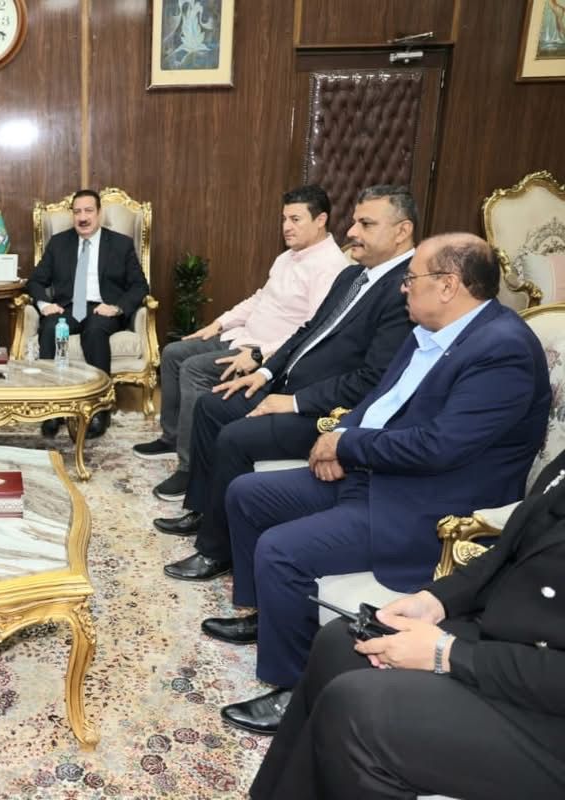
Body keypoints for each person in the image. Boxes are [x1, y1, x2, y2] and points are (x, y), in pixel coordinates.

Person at [208, 233, 550, 735]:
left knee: (282, 550)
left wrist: (347, 447)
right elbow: (380, 402)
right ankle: (270, 615)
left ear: (448, 285)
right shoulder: (430, 329)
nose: (403, 288)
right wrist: (340, 436)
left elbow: (439, 447)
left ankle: (294, 690)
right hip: (379, 472)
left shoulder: (504, 351)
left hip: (427, 503)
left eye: (411, 279)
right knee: (247, 494)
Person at [251, 447, 565, 799]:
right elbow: (509, 553)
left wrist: (449, 654)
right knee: (342, 642)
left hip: (548, 713)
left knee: (360, 712)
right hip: (514, 646)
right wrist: (436, 600)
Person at [158, 185, 417, 581]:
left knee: (235, 437)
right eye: (354, 222)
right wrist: (263, 373)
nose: (352, 233)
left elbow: (373, 380)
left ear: (402, 231)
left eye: (366, 224)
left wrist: (293, 402)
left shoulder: (404, 290)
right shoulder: (354, 275)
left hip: (327, 411)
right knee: (213, 406)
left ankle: (215, 551)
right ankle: (205, 511)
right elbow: (308, 330)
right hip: (288, 385)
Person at [132, 184, 349, 492]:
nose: (286, 227)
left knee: (194, 369)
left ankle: (190, 467)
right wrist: (218, 324)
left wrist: (261, 354)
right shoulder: (288, 257)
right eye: (284, 219)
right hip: (242, 337)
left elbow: (312, 331)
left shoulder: (330, 268)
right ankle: (173, 437)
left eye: (295, 219)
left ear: (321, 220)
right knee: (173, 352)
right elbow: (259, 298)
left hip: (264, 355)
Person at [27, 188, 149, 438]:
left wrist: (117, 307)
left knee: (94, 332)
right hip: (69, 308)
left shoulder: (121, 244)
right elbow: (35, 281)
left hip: (103, 309)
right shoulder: (59, 243)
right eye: (77, 212)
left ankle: (99, 410)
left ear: (99, 213)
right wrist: (44, 304)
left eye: (88, 211)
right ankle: (52, 408)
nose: (82, 217)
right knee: (50, 329)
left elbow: (140, 286)